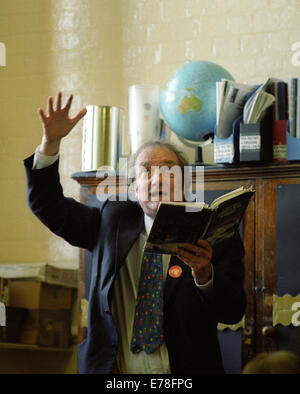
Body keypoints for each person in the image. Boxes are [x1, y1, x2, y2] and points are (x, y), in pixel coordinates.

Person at [24, 92, 246, 374]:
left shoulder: (214, 234)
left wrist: (205, 276)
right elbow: (48, 204)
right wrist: (50, 144)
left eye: (168, 170)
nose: (157, 178)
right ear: (134, 187)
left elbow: (233, 310)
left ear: (185, 183)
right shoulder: (110, 221)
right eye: (146, 171)